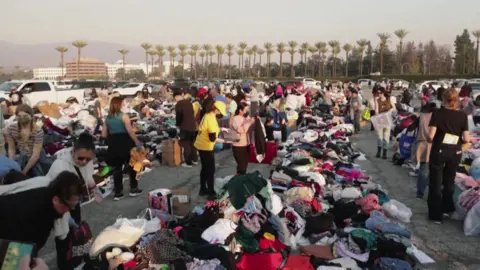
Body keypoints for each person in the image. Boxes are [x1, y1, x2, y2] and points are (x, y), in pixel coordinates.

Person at [0, 172, 83, 267]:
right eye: (69, 207)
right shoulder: (35, 217)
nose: (69, 211)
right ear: (56, 200)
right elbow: (17, 259)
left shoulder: (47, 187)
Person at [427, 89, 471, 224]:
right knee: (449, 181)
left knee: (436, 182)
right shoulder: (462, 116)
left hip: (439, 151)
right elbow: (466, 138)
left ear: (444, 99)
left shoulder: (437, 114)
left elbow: (430, 135)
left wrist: (430, 141)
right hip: (455, 152)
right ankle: (447, 209)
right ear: (457, 100)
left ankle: (436, 215)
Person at [102, 96, 142, 201]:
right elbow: (130, 131)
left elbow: (104, 134)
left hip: (113, 144)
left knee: (117, 169)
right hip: (125, 143)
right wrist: (137, 141)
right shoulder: (124, 116)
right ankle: (133, 188)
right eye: (122, 103)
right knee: (132, 166)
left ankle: (118, 193)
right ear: (119, 104)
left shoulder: (108, 118)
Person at [47, 133, 97, 215]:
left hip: (73, 200)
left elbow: (88, 175)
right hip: (61, 202)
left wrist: (94, 190)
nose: (84, 162)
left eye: (88, 159)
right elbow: (56, 193)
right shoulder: (60, 165)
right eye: (80, 158)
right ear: (73, 151)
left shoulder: (87, 160)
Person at [194, 101, 227, 199]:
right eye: (220, 112)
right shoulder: (211, 119)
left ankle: (202, 189)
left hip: (200, 144)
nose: (220, 114)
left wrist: (222, 129)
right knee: (210, 170)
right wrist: (227, 140)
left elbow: (211, 129)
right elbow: (213, 138)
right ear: (216, 110)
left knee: (204, 168)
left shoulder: (207, 115)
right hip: (206, 146)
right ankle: (210, 193)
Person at [6, 104, 49, 176]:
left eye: (25, 116)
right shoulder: (11, 129)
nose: (22, 118)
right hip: (23, 155)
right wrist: (12, 165)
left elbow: (35, 155)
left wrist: (24, 171)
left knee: (40, 177)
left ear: (31, 116)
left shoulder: (38, 131)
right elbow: (11, 149)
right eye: (19, 116)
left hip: (37, 157)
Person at [414, 102, 436, 199]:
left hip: (421, 144)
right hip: (432, 145)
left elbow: (412, 127)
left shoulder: (421, 117)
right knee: (430, 170)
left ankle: (420, 192)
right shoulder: (436, 117)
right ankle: (431, 191)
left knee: (423, 169)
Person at [174, 91, 198, 168]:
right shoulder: (189, 103)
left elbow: (179, 116)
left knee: (186, 144)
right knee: (193, 144)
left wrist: (177, 125)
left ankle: (188, 163)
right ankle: (195, 160)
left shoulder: (179, 104)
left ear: (176, 97)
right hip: (192, 126)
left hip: (185, 127)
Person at [231, 102, 255, 175]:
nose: (247, 112)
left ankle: (240, 178)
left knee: (244, 164)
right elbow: (240, 130)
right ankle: (240, 178)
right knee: (242, 166)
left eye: (248, 110)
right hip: (238, 145)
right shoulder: (235, 119)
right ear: (240, 110)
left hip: (246, 143)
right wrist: (249, 123)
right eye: (246, 110)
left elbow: (250, 129)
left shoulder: (246, 118)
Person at [374, 88, 393, 159]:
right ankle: (378, 152)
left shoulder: (389, 99)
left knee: (386, 137)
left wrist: (389, 111)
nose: (379, 94)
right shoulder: (377, 100)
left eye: (381, 93)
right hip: (380, 120)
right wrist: (378, 115)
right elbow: (376, 110)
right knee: (380, 137)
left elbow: (393, 107)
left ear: (383, 92)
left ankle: (384, 153)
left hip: (388, 120)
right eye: (378, 93)